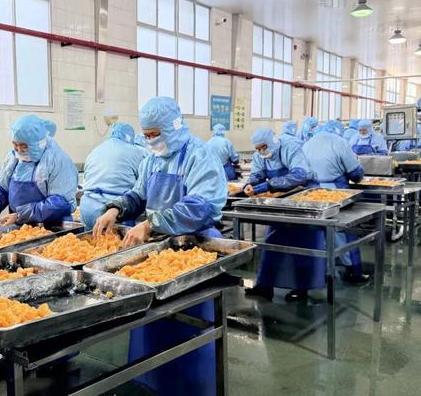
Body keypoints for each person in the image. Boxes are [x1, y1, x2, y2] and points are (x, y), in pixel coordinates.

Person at [93, 97, 227, 396]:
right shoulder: (152, 159)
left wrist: (151, 223)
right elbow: (138, 195)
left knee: (188, 325)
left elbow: (200, 207)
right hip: (157, 249)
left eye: (156, 134)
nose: (151, 140)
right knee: (152, 323)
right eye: (147, 135)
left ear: (173, 127)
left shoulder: (199, 155)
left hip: (191, 249)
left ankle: (191, 386)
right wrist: (116, 208)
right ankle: (151, 382)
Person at [243, 128, 323, 302]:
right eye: (257, 149)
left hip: (303, 198)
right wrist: (251, 184)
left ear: (271, 142)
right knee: (272, 242)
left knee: (303, 243)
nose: (261, 151)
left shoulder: (290, 148)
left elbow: (299, 175)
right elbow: (257, 174)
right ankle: (265, 285)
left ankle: (301, 288)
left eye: (263, 147)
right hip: (282, 201)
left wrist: (267, 186)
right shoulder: (260, 156)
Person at [0, 115, 78, 225]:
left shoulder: (57, 160)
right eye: (15, 145)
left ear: (37, 144)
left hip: (53, 227)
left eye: (24, 146)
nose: (19, 150)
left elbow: (60, 203)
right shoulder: (13, 158)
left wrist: (20, 215)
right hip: (20, 227)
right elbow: (2, 188)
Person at [302, 121, 370, 284]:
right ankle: (354, 271)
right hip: (335, 193)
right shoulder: (339, 142)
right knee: (343, 232)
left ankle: (319, 271)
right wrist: (358, 176)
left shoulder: (307, 144)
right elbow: (355, 173)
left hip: (311, 194)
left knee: (315, 233)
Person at [80, 122, 147, 229]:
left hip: (87, 208)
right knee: (117, 239)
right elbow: (143, 183)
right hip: (114, 210)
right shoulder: (136, 152)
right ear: (130, 137)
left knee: (89, 238)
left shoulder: (95, 150)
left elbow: (86, 176)